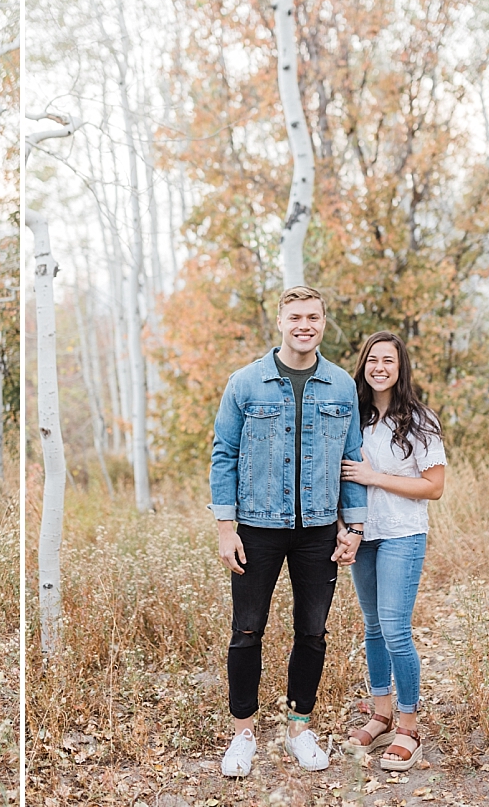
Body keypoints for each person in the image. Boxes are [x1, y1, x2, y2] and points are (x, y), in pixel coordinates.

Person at [209, 286, 367, 778]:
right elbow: (223, 455)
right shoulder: (246, 382)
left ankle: (300, 729)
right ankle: (243, 734)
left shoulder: (341, 385)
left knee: (312, 632)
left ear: (323, 322)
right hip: (257, 529)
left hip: (319, 529)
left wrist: (353, 526)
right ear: (280, 321)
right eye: (296, 316)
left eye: (314, 317)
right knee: (246, 630)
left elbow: (353, 459)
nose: (305, 325)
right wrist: (224, 528)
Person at [340, 332, 445, 772]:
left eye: (389, 360)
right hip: (362, 534)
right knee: (372, 628)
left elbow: (434, 487)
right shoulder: (352, 417)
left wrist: (374, 476)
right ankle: (381, 714)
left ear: (401, 368)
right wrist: (343, 528)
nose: (379, 367)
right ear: (363, 365)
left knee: (396, 629)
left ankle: (409, 725)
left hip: (403, 533)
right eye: (372, 359)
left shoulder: (420, 420)